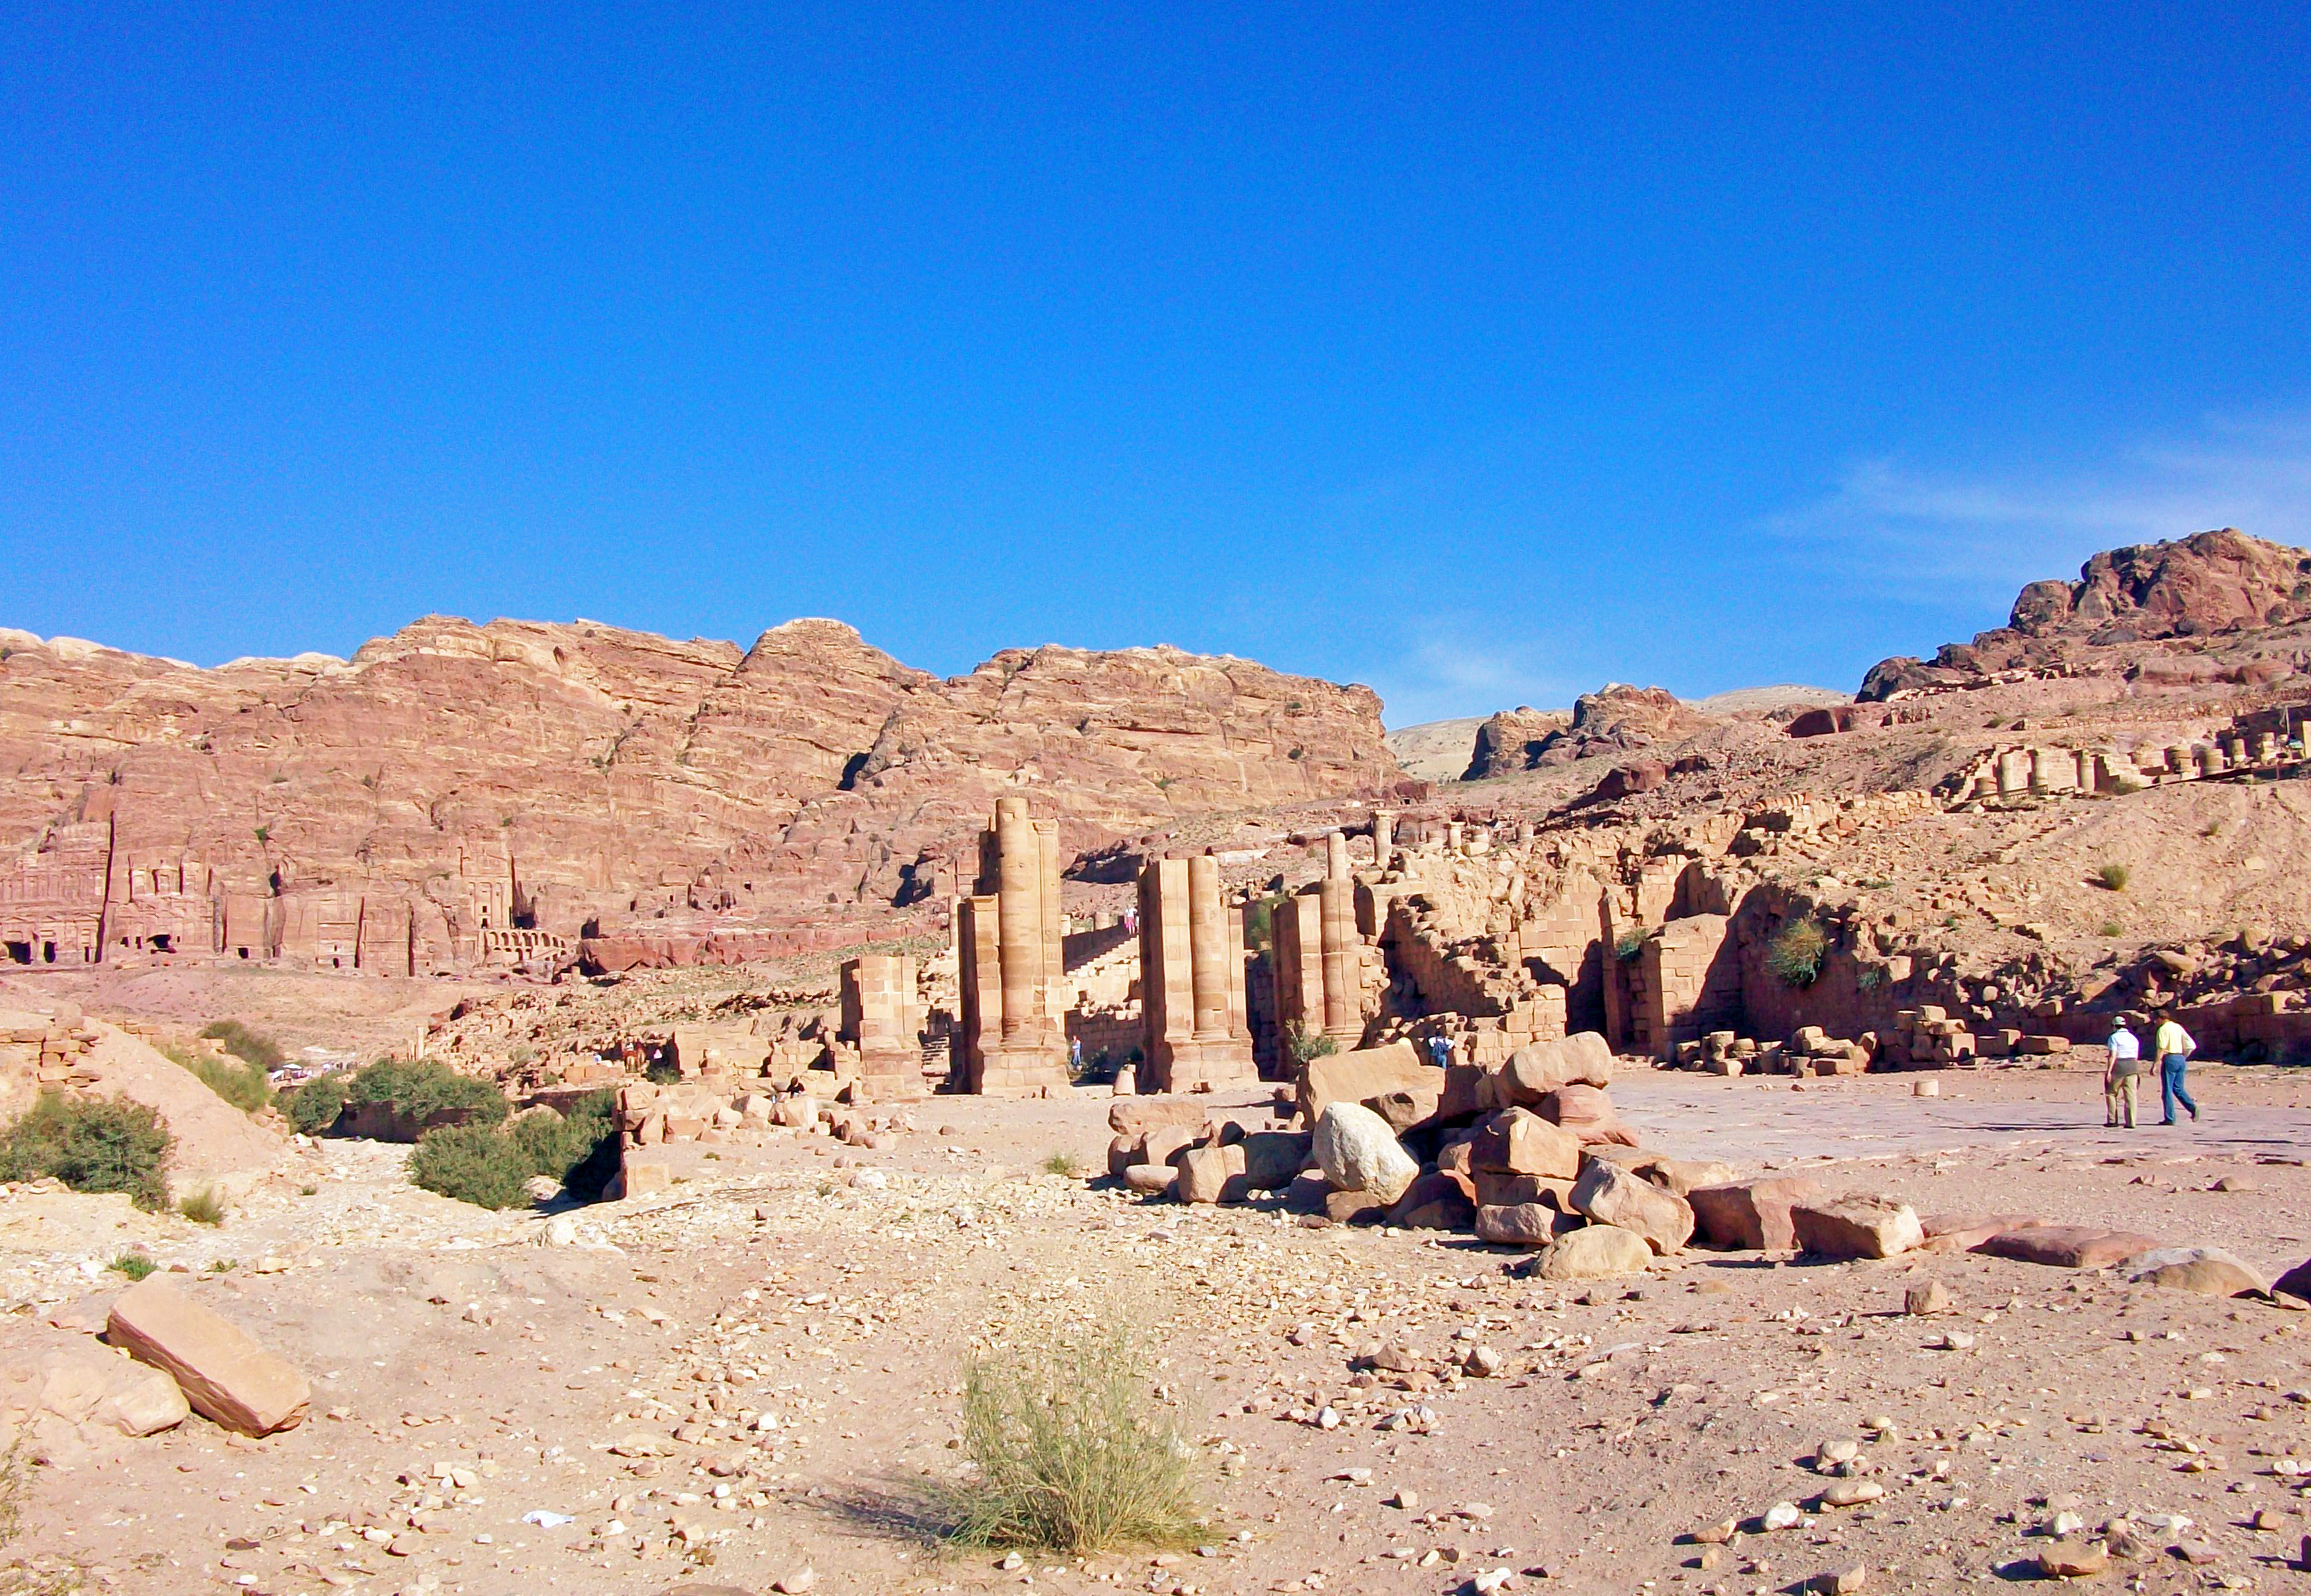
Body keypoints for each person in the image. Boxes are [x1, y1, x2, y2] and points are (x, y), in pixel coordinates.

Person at [2153, 1010, 2199, 1125]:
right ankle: (2192, 1107)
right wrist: (2184, 1056)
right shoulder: (2177, 1027)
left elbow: (2161, 1048)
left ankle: (2170, 1118)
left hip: (2170, 1058)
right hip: (2180, 1058)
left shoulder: (2163, 1029)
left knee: (2167, 1090)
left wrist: (2156, 1063)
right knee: (2178, 1088)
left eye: (2155, 1020)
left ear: (2160, 1018)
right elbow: (2191, 1045)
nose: (2155, 1022)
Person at [2103, 1018, 2148, 1128]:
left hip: (2119, 1066)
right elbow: (2136, 1055)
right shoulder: (2133, 1038)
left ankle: (2113, 1120)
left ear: (2114, 1026)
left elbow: (2113, 1055)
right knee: (2131, 1096)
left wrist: (2109, 1072)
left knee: (2111, 1093)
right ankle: (2131, 1122)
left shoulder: (2114, 1037)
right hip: (2132, 1066)